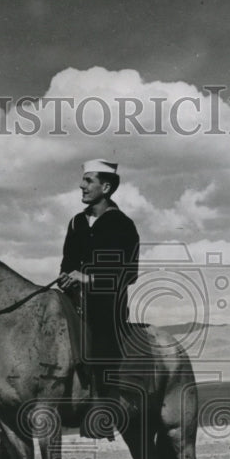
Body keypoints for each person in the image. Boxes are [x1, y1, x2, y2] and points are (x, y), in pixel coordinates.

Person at [58, 159, 140, 440]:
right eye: (83, 180)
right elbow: (67, 261)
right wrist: (66, 277)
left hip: (107, 303)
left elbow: (128, 274)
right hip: (73, 298)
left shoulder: (122, 225)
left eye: (88, 180)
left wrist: (86, 279)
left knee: (102, 340)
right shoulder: (76, 221)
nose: (82, 185)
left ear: (105, 187)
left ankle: (102, 413)